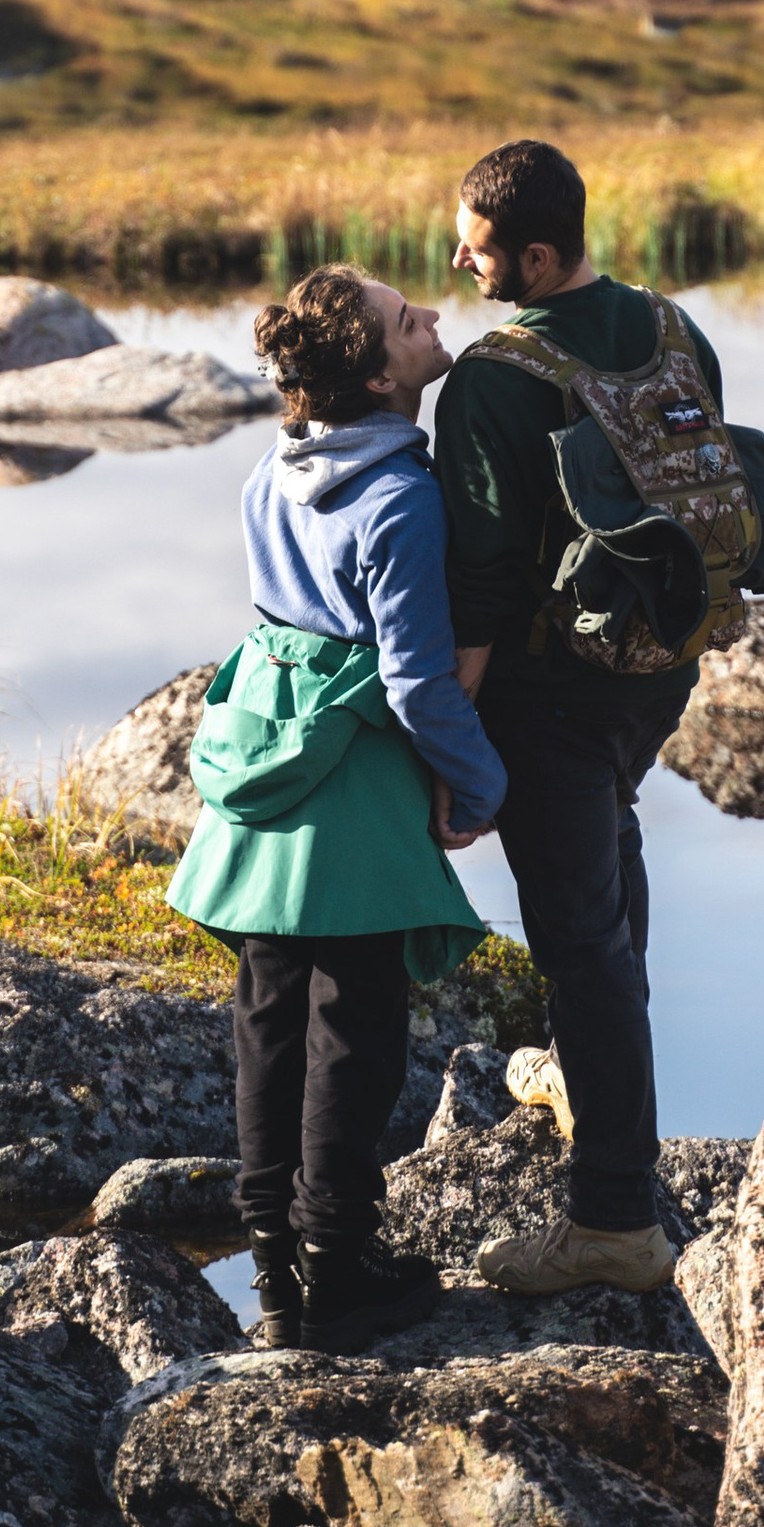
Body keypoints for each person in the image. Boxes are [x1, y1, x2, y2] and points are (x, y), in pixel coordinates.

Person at [170, 263, 507, 1352]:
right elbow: (412, 679)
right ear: (374, 371)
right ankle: (342, 1273)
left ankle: (274, 1275)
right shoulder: (400, 495)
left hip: (270, 759)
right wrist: (478, 783)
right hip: (351, 788)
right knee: (353, 1036)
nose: (434, 317)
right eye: (411, 321)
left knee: (266, 1021)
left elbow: (285, 622)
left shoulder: (271, 474)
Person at [434, 136, 724, 1297]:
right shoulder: (674, 329)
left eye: (476, 245)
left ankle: (612, 1220)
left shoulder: (495, 379)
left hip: (549, 690)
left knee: (575, 939)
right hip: (660, 664)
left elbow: (482, 584)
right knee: (611, 844)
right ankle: (574, 1074)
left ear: (536, 256)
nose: (457, 259)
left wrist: (445, 734)